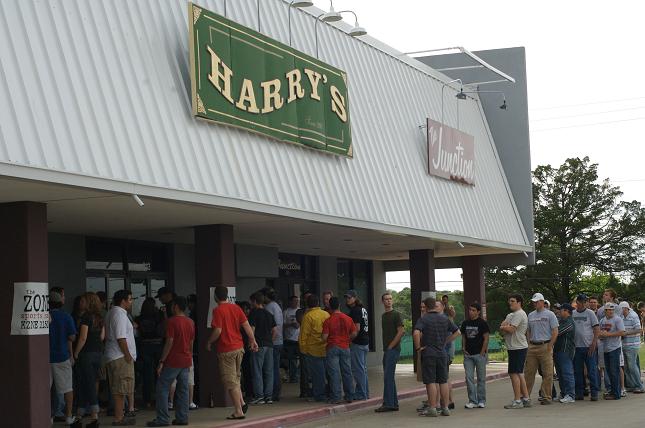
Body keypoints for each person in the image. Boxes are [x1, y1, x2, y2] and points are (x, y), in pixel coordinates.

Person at [207, 286, 258, 420]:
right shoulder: (236, 308)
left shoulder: (217, 310)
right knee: (236, 378)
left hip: (226, 349)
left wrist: (209, 342)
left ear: (215, 297)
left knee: (230, 381)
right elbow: (246, 325)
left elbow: (218, 330)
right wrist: (253, 340)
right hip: (239, 347)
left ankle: (238, 411)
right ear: (227, 295)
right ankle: (242, 402)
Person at [146, 296, 195, 427]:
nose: (171, 308)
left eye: (172, 306)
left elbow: (169, 342)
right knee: (183, 389)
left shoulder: (171, 322)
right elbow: (191, 342)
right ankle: (182, 417)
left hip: (173, 360)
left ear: (176, 307)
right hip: (186, 359)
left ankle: (162, 418)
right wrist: (189, 356)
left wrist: (162, 361)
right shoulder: (190, 322)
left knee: (162, 387)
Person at [413, 297, 460, 417]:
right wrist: (446, 341)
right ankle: (445, 408)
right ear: (434, 305)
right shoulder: (444, 318)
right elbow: (458, 332)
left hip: (429, 353)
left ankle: (433, 408)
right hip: (442, 353)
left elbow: (416, 333)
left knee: (431, 381)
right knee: (443, 381)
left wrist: (418, 348)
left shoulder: (424, 319)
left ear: (426, 306)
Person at [105, 289, 137, 426]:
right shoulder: (119, 314)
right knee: (121, 388)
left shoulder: (112, 312)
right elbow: (121, 337)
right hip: (120, 356)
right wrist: (128, 355)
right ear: (123, 301)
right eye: (130, 299)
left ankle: (120, 415)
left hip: (114, 355)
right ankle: (119, 417)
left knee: (120, 388)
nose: (131, 302)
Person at [73, 293, 105, 426]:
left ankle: (93, 416)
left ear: (89, 302)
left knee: (85, 384)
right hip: (98, 353)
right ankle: (80, 416)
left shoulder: (86, 317)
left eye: (83, 301)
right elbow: (102, 337)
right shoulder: (100, 317)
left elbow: (83, 337)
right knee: (90, 383)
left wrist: (76, 353)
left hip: (86, 354)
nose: (81, 303)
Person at [49, 290, 79, 426]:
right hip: (62, 356)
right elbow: (72, 337)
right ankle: (68, 416)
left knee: (46, 389)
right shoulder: (66, 317)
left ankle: (48, 415)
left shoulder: (43, 316)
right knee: (67, 388)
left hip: (44, 358)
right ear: (60, 302)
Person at [523, 292, 558, 405]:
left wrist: (550, 345)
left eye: (537, 301)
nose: (535, 303)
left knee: (548, 373)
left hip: (545, 345)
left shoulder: (550, 314)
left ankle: (546, 397)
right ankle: (525, 397)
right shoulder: (530, 315)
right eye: (533, 302)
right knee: (528, 373)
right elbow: (528, 331)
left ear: (542, 302)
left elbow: (555, 331)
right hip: (532, 346)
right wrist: (529, 343)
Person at [322, 296, 357, 405]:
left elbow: (324, 337)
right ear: (339, 305)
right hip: (345, 347)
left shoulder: (328, 320)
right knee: (347, 372)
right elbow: (354, 333)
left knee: (334, 373)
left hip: (332, 347)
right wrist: (347, 339)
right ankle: (350, 395)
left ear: (330, 306)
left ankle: (336, 397)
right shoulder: (348, 318)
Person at [375, 292, 404, 412]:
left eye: (390, 299)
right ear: (382, 301)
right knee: (389, 377)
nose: (389, 301)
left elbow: (401, 331)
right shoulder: (383, 316)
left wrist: (391, 346)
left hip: (393, 349)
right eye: (386, 299)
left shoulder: (396, 314)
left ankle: (388, 403)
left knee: (388, 377)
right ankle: (394, 403)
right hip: (387, 350)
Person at [500, 294, 530, 409]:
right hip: (515, 347)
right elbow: (504, 329)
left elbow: (511, 329)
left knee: (514, 373)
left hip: (517, 347)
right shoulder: (511, 315)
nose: (510, 303)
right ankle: (526, 399)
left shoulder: (519, 314)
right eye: (509, 301)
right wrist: (505, 327)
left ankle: (518, 401)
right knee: (519, 373)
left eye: (512, 301)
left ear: (519, 302)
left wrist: (504, 327)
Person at [299, 294, 330, 402]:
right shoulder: (326, 314)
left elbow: (304, 335)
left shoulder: (308, 316)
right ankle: (330, 392)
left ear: (308, 304)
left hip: (313, 350)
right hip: (326, 348)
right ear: (318, 303)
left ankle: (319, 395)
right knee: (329, 373)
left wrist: (303, 350)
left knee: (317, 375)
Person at [248, 292, 277, 405]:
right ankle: (268, 396)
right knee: (269, 371)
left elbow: (252, 329)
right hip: (269, 345)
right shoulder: (269, 314)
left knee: (257, 371)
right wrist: (270, 341)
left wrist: (251, 342)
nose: (251, 304)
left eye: (251, 302)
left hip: (258, 344)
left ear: (255, 301)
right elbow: (275, 331)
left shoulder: (253, 313)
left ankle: (259, 396)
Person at [135, 297, 164, 409]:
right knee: (159, 374)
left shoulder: (139, 318)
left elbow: (137, 332)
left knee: (147, 374)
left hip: (145, 346)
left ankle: (147, 400)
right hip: (158, 346)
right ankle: (160, 398)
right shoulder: (159, 316)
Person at [460, 302, 490, 409]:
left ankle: (481, 400)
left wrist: (482, 352)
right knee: (469, 378)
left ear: (478, 312)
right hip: (468, 356)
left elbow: (486, 338)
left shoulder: (482, 323)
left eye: (473, 310)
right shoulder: (465, 323)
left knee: (481, 378)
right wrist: (463, 348)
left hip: (479, 355)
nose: (471, 312)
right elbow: (463, 336)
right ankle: (472, 400)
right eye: (470, 310)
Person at [572, 294, 600, 401]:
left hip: (589, 346)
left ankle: (594, 393)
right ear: (577, 302)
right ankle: (579, 392)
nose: (584, 304)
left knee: (591, 370)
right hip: (577, 347)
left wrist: (594, 343)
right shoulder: (573, 313)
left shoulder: (590, 313)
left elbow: (596, 329)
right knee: (578, 371)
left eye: (585, 302)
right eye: (582, 302)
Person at [344, 289, 369, 401]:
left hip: (358, 343)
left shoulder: (355, 310)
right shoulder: (363, 309)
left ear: (355, 298)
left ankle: (361, 393)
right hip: (365, 341)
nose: (347, 299)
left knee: (358, 370)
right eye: (346, 297)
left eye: (349, 297)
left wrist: (348, 340)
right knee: (362, 369)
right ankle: (365, 392)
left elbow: (357, 329)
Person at [599, 302, 625, 399]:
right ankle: (612, 391)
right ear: (605, 311)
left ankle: (616, 394)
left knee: (614, 371)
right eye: (609, 310)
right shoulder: (602, 320)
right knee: (609, 372)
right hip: (605, 348)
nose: (611, 311)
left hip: (614, 348)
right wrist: (601, 335)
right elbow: (601, 332)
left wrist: (608, 335)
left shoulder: (617, 319)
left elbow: (622, 332)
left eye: (612, 309)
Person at [618, 301, 645, 393]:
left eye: (621, 309)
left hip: (633, 345)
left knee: (632, 366)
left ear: (625, 308)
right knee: (626, 367)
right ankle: (631, 385)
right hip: (624, 344)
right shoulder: (622, 316)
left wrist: (626, 333)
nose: (619, 311)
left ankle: (640, 386)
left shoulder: (633, 316)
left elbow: (639, 330)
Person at [263, 288, 284, 402]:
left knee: (271, 368)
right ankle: (276, 391)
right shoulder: (277, 306)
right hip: (279, 340)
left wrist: (270, 340)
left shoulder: (269, 307)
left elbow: (270, 325)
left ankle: (273, 392)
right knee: (275, 367)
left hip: (273, 341)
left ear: (266, 297)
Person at [554, 303, 576, 403]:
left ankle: (570, 395)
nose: (559, 312)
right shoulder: (561, 321)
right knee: (560, 374)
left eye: (561, 310)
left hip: (566, 351)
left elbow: (557, 332)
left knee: (567, 373)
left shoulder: (569, 322)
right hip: (558, 350)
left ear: (567, 311)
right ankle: (563, 393)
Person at [297, 292, 313, 398]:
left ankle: (314, 390)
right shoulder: (300, 311)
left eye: (310, 298)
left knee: (314, 369)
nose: (308, 300)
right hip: (304, 343)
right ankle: (304, 390)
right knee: (304, 369)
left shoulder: (318, 312)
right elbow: (301, 321)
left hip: (315, 344)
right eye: (307, 298)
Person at [283, 295, 301, 384]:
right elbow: (282, 325)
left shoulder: (300, 311)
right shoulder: (286, 312)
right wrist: (290, 324)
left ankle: (298, 375)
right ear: (290, 302)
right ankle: (293, 377)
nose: (296, 302)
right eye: (294, 301)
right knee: (292, 359)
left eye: (297, 301)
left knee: (301, 359)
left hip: (299, 338)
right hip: (289, 339)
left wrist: (298, 324)